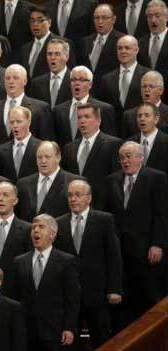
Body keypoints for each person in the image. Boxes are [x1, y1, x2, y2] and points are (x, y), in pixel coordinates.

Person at [101, 141, 168, 324]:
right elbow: (108, 216)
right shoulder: (112, 180)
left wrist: (158, 244)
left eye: (129, 156)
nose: (125, 160)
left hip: (146, 251)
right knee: (124, 305)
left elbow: (162, 214)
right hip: (121, 253)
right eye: (122, 157)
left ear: (141, 157)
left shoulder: (156, 177)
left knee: (149, 300)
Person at [55, 180, 123, 348]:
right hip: (69, 296)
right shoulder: (58, 223)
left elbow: (114, 257)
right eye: (70, 195)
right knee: (71, 342)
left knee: (101, 338)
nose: (73, 199)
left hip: (97, 293)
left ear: (89, 198)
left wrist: (114, 289)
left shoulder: (104, 220)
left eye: (78, 195)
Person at [12, 214, 80, 351]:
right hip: (26, 331)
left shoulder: (66, 261)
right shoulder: (19, 261)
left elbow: (73, 298)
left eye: (41, 227)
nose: (35, 230)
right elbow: (15, 297)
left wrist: (69, 327)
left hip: (55, 331)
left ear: (53, 234)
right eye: (33, 227)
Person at [61, 102, 122, 205]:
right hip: (75, 205)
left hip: (102, 204)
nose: (82, 121)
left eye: (87, 117)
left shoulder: (113, 144)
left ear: (99, 120)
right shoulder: (69, 147)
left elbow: (116, 179)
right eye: (79, 117)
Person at [0, 64, 53, 145]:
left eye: (15, 78)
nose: (11, 81)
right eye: (7, 78)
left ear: (25, 81)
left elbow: (46, 142)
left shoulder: (40, 108)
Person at [16, 141, 84, 221]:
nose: (43, 161)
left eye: (47, 157)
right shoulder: (23, 184)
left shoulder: (74, 182)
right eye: (39, 157)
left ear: (58, 157)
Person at [52, 65, 117, 146]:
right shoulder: (58, 110)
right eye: (73, 80)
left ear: (90, 84)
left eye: (82, 80)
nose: (77, 83)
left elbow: (109, 142)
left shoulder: (104, 109)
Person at [98, 35, 151, 123]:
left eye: (127, 48)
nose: (123, 51)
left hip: (139, 127)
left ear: (136, 50)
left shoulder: (148, 75)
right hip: (114, 130)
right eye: (120, 48)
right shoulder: (106, 79)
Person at [15, 5, 75, 79]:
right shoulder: (25, 48)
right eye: (32, 21)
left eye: (40, 20)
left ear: (49, 22)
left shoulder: (63, 43)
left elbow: (71, 73)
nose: (35, 24)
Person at [77, 4, 124, 89]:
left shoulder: (121, 41)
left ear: (113, 19)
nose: (100, 21)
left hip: (110, 89)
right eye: (96, 18)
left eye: (104, 18)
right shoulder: (85, 41)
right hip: (89, 90)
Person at [0, 106, 41, 182]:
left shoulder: (41, 147)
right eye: (12, 122)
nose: (15, 126)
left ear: (29, 122)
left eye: (19, 121)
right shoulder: (0, 151)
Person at [27, 38, 72, 108]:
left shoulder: (74, 81)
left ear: (66, 57)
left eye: (57, 54)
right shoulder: (36, 83)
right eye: (49, 54)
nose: (53, 57)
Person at [127, 102, 168, 174]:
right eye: (139, 116)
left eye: (147, 115)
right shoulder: (129, 142)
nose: (142, 119)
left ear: (156, 119)